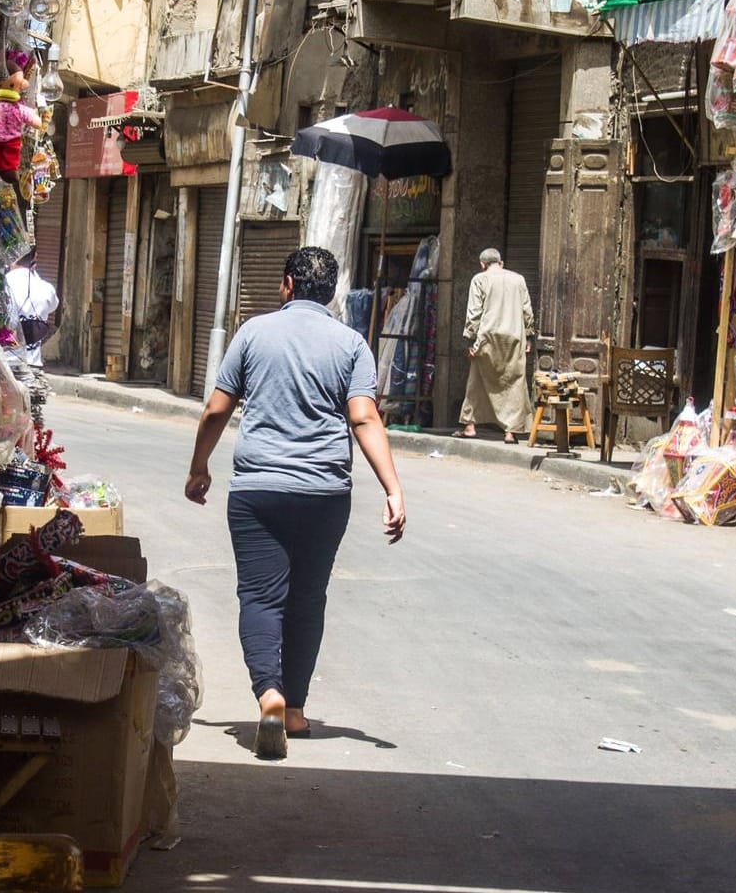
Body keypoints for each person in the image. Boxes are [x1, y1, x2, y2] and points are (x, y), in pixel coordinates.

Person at [184, 246, 407, 761]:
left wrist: (199, 467)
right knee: (308, 598)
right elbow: (365, 419)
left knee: (261, 597)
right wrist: (393, 488)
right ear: (329, 293)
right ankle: (297, 710)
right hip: (325, 494)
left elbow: (217, 408)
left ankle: (269, 696)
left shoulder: (253, 333)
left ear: (286, 284)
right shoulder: (351, 343)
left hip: (258, 490)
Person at [458, 248, 535, 444]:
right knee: (514, 382)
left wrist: (470, 338)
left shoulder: (480, 279)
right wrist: (529, 336)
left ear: (482, 265)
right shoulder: (519, 279)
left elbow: (474, 312)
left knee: (477, 381)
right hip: (514, 337)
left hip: (488, 337)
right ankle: (510, 432)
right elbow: (527, 310)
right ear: (501, 263)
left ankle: (470, 426)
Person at [4, 249, 60, 368]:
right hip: (33, 365)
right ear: (35, 257)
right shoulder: (46, 288)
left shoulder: (2, 284)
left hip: (5, 364)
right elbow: (53, 307)